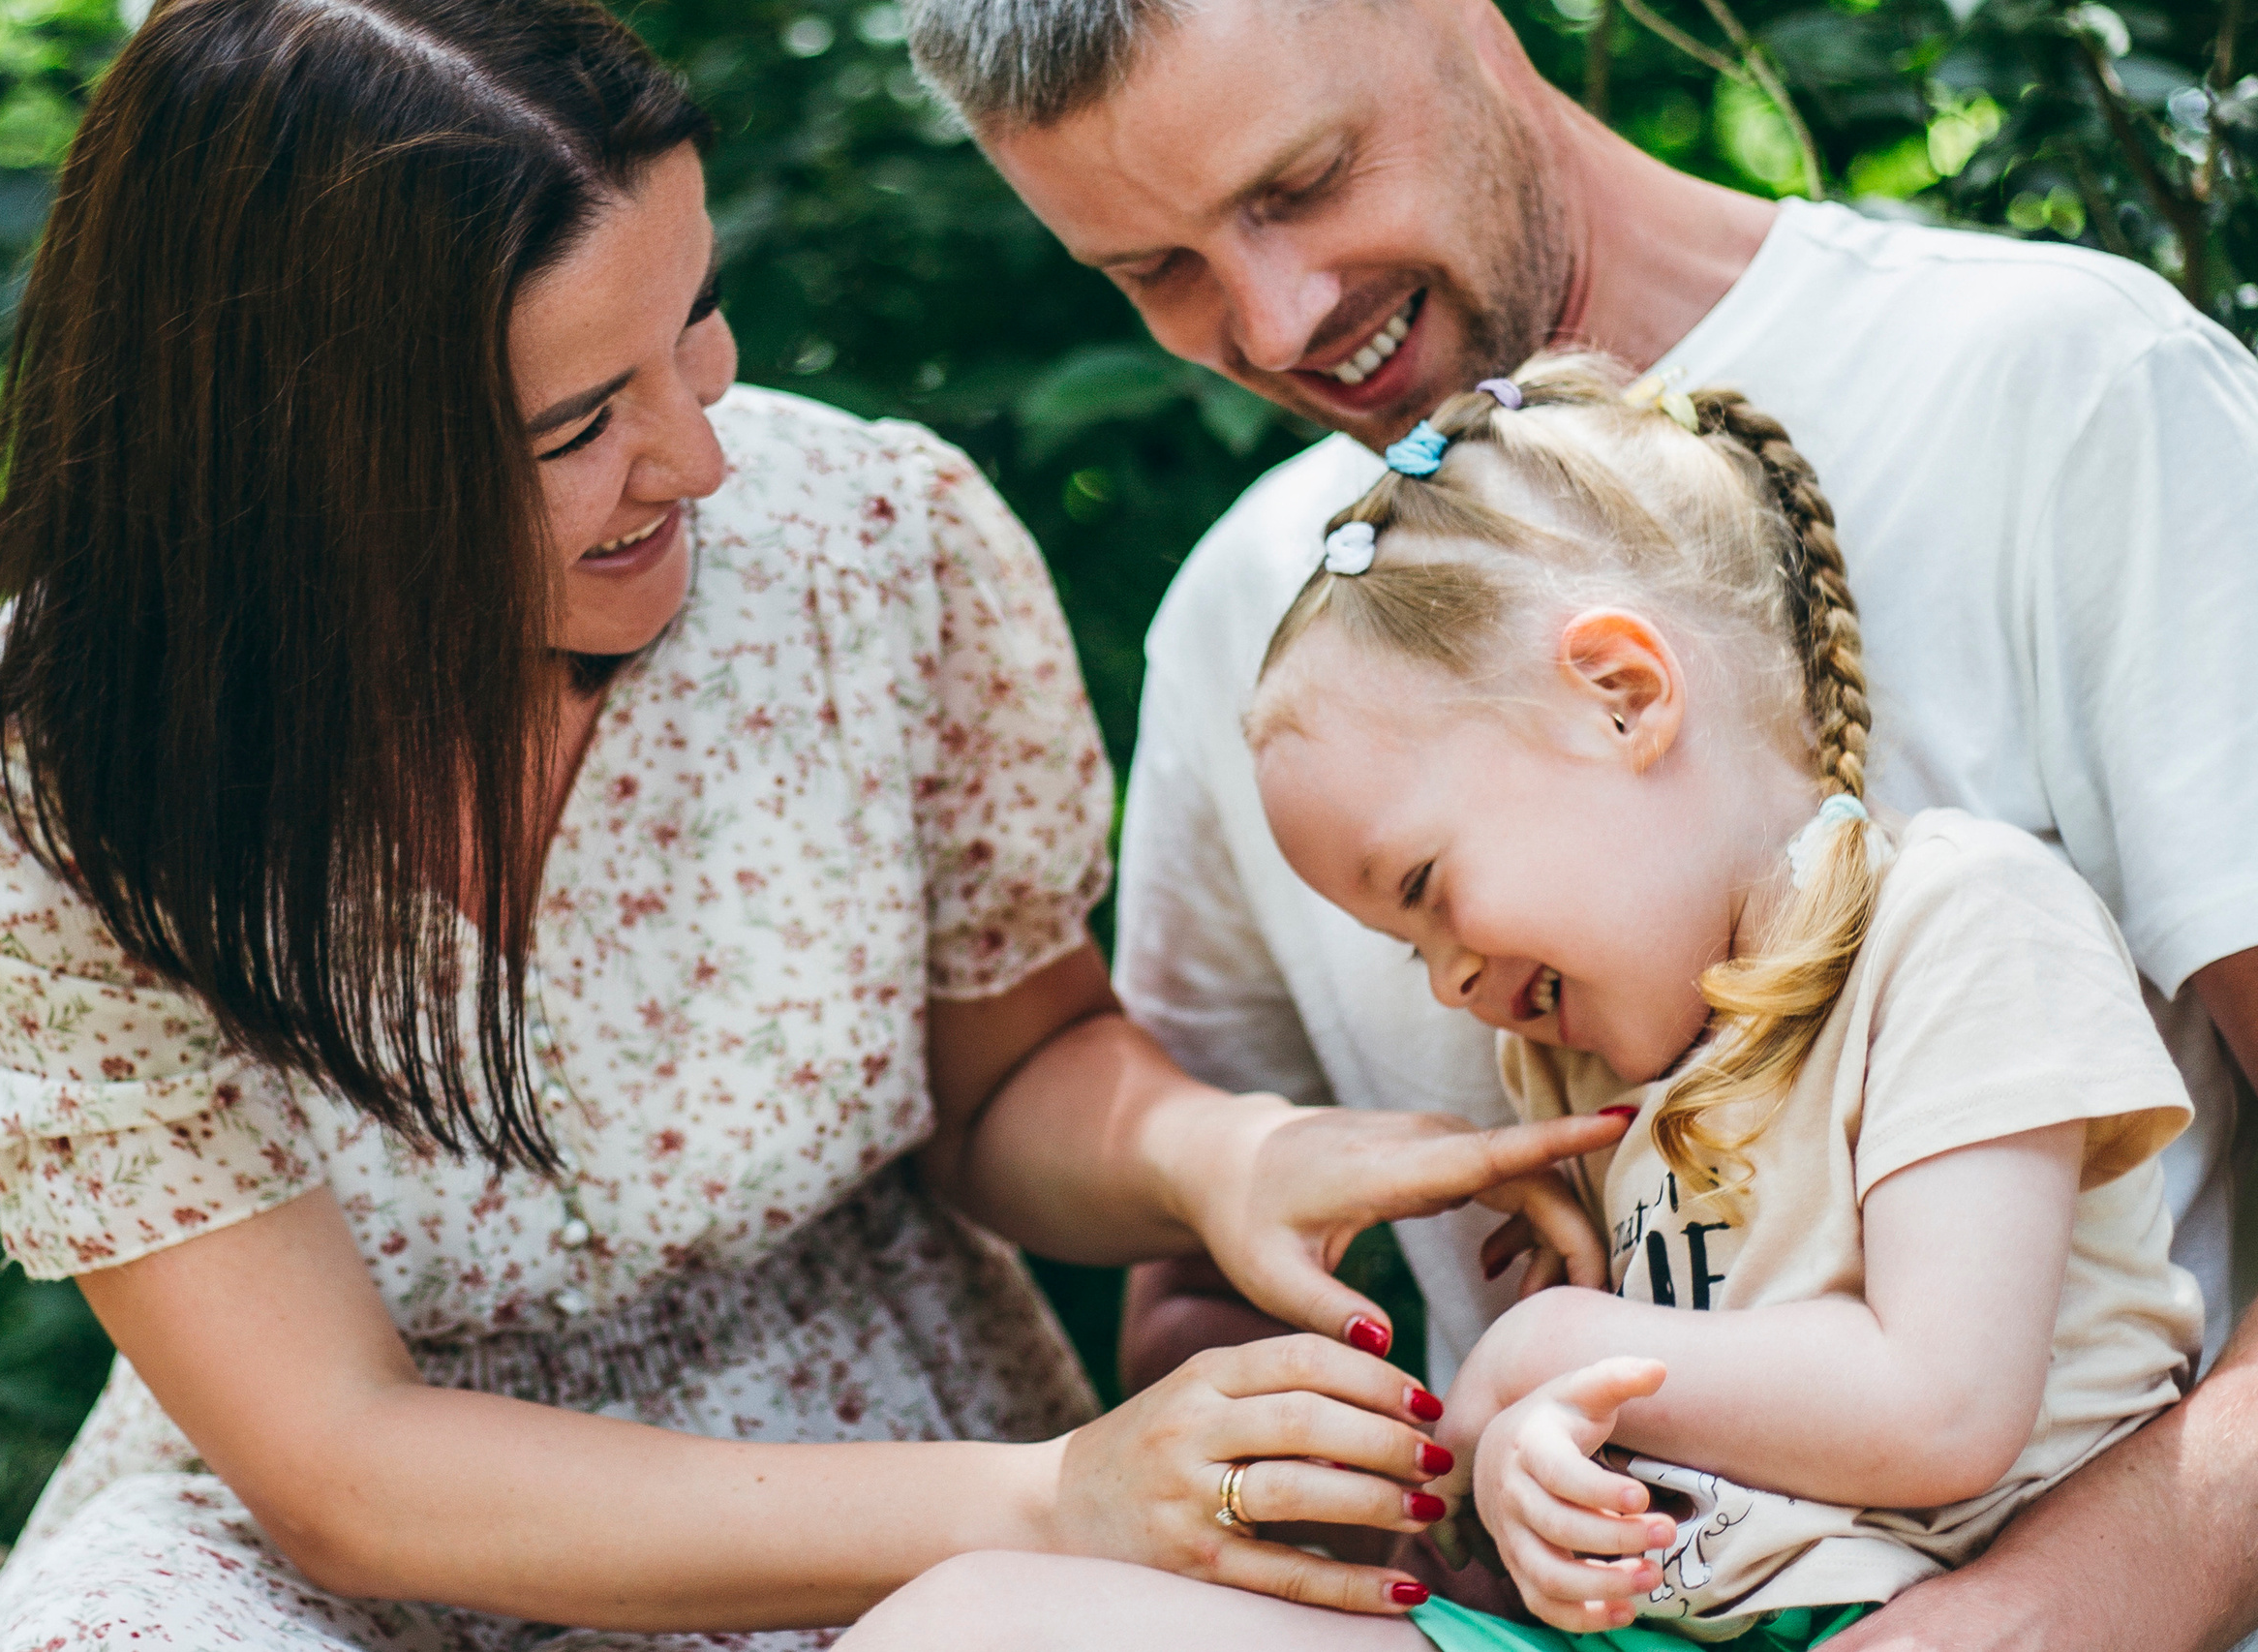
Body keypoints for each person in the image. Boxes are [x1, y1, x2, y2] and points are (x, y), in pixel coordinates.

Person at [0, 1, 1633, 1645]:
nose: (701, 459)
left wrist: (1219, 1156)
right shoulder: (54, 779)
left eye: (692, 321)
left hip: (872, 1466)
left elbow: (1007, 1081)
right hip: (364, 1550)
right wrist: (1050, 1492)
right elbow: (338, 1464)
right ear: (296, 462)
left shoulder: (872, 545)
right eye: (574, 424)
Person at [903, 1, 2258, 1645]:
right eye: (1153, 274)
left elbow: (1952, 1401)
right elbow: (1204, 1301)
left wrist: (2090, 1593)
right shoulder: (1260, 634)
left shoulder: (2064, 397)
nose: (1271, 321)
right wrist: (1465, 1466)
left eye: (1304, 181)